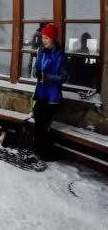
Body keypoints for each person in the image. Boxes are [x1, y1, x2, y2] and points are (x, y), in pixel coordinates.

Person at [32, 23, 68, 160]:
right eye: (43, 37)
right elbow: (36, 67)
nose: (44, 40)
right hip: (41, 93)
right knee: (38, 121)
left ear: (53, 38)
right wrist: (36, 73)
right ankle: (38, 151)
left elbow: (64, 77)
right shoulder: (41, 52)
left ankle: (45, 153)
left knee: (44, 125)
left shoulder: (60, 55)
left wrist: (46, 77)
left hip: (52, 96)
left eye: (47, 38)